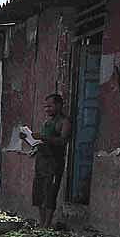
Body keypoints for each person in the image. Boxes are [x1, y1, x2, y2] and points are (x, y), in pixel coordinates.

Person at [32, 93, 71, 228]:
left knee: (50, 193)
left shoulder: (64, 122)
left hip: (54, 163)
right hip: (41, 162)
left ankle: (47, 224)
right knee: (39, 193)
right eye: (45, 107)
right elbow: (42, 141)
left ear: (59, 105)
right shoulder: (47, 122)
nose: (47, 109)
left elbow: (62, 141)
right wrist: (32, 142)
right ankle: (42, 223)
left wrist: (43, 138)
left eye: (50, 106)